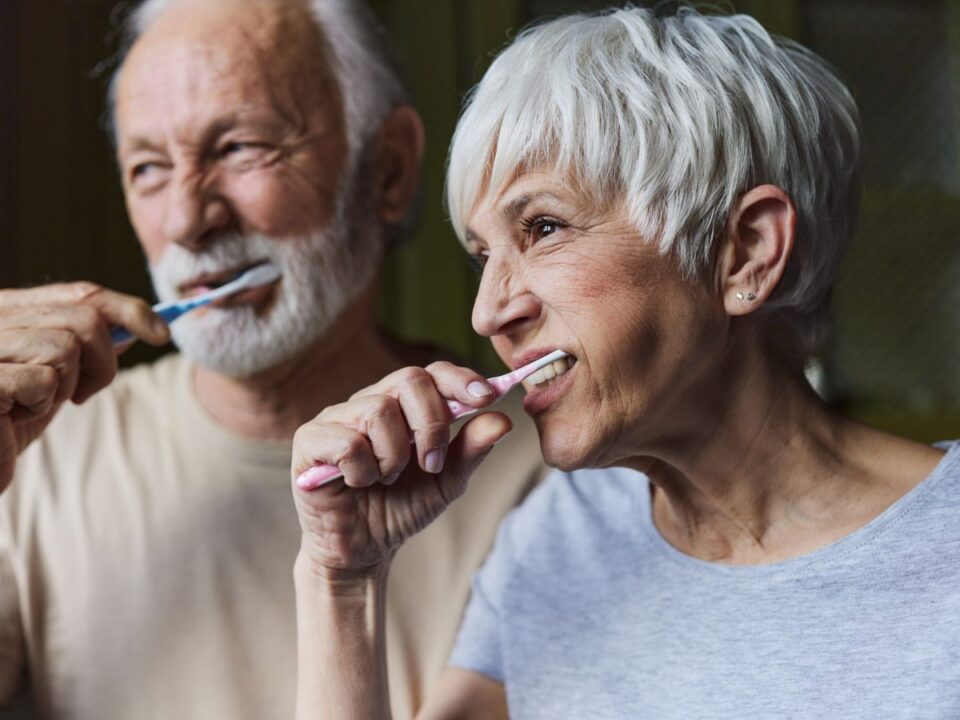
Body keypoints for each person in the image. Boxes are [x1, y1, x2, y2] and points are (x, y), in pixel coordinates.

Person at [289, 6, 960, 719]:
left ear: (746, 253)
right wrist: (342, 577)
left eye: (543, 227)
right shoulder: (560, 538)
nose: (487, 313)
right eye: (485, 256)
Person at [0, 0, 544, 717]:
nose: (188, 222)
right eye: (149, 169)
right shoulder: (36, 460)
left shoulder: (544, 461)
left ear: (386, 170)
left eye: (239, 148)